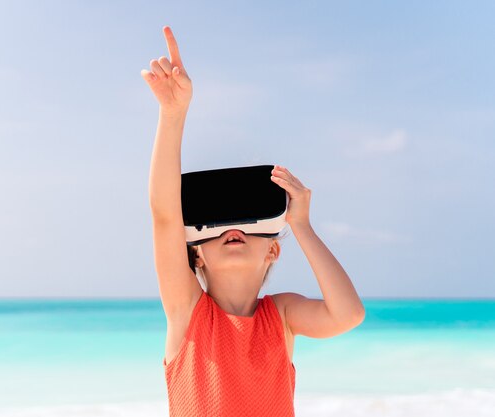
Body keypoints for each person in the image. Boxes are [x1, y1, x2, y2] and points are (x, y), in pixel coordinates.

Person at [141, 25, 366, 417]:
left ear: (273, 250)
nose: (235, 230)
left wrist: (302, 225)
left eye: (249, 226)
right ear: (197, 257)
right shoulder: (188, 311)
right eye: (218, 228)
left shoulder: (281, 316)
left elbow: (348, 315)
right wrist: (173, 114)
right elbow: (164, 216)